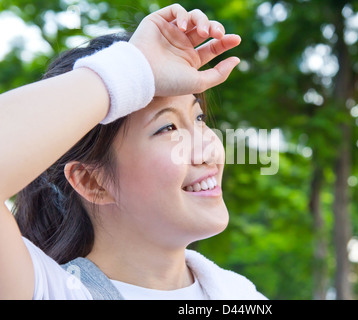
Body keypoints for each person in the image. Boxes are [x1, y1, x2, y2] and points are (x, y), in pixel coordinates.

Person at [0, 4, 267, 300]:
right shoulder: (52, 292)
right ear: (92, 182)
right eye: (168, 128)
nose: (209, 150)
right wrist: (133, 69)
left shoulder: (242, 296)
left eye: (199, 118)